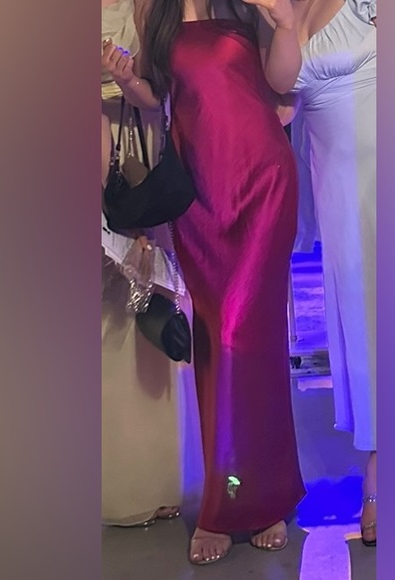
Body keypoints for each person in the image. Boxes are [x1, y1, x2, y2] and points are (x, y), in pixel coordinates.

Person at [102, 0, 306, 565]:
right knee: (216, 342)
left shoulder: (243, 5)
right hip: (200, 197)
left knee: (247, 337)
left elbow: (281, 80)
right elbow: (157, 94)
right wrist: (129, 81)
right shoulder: (157, 11)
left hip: (262, 182)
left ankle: (244, 502)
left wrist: (286, 24)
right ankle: (242, 490)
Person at [101, 0, 201, 529]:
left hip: (133, 146)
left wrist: (126, 80)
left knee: (143, 305)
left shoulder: (146, 5)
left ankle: (149, 478)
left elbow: (157, 91)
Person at [286, 0, 377, 546]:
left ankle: (381, 480)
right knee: (363, 328)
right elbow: (279, 97)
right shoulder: (275, 9)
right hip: (336, 188)